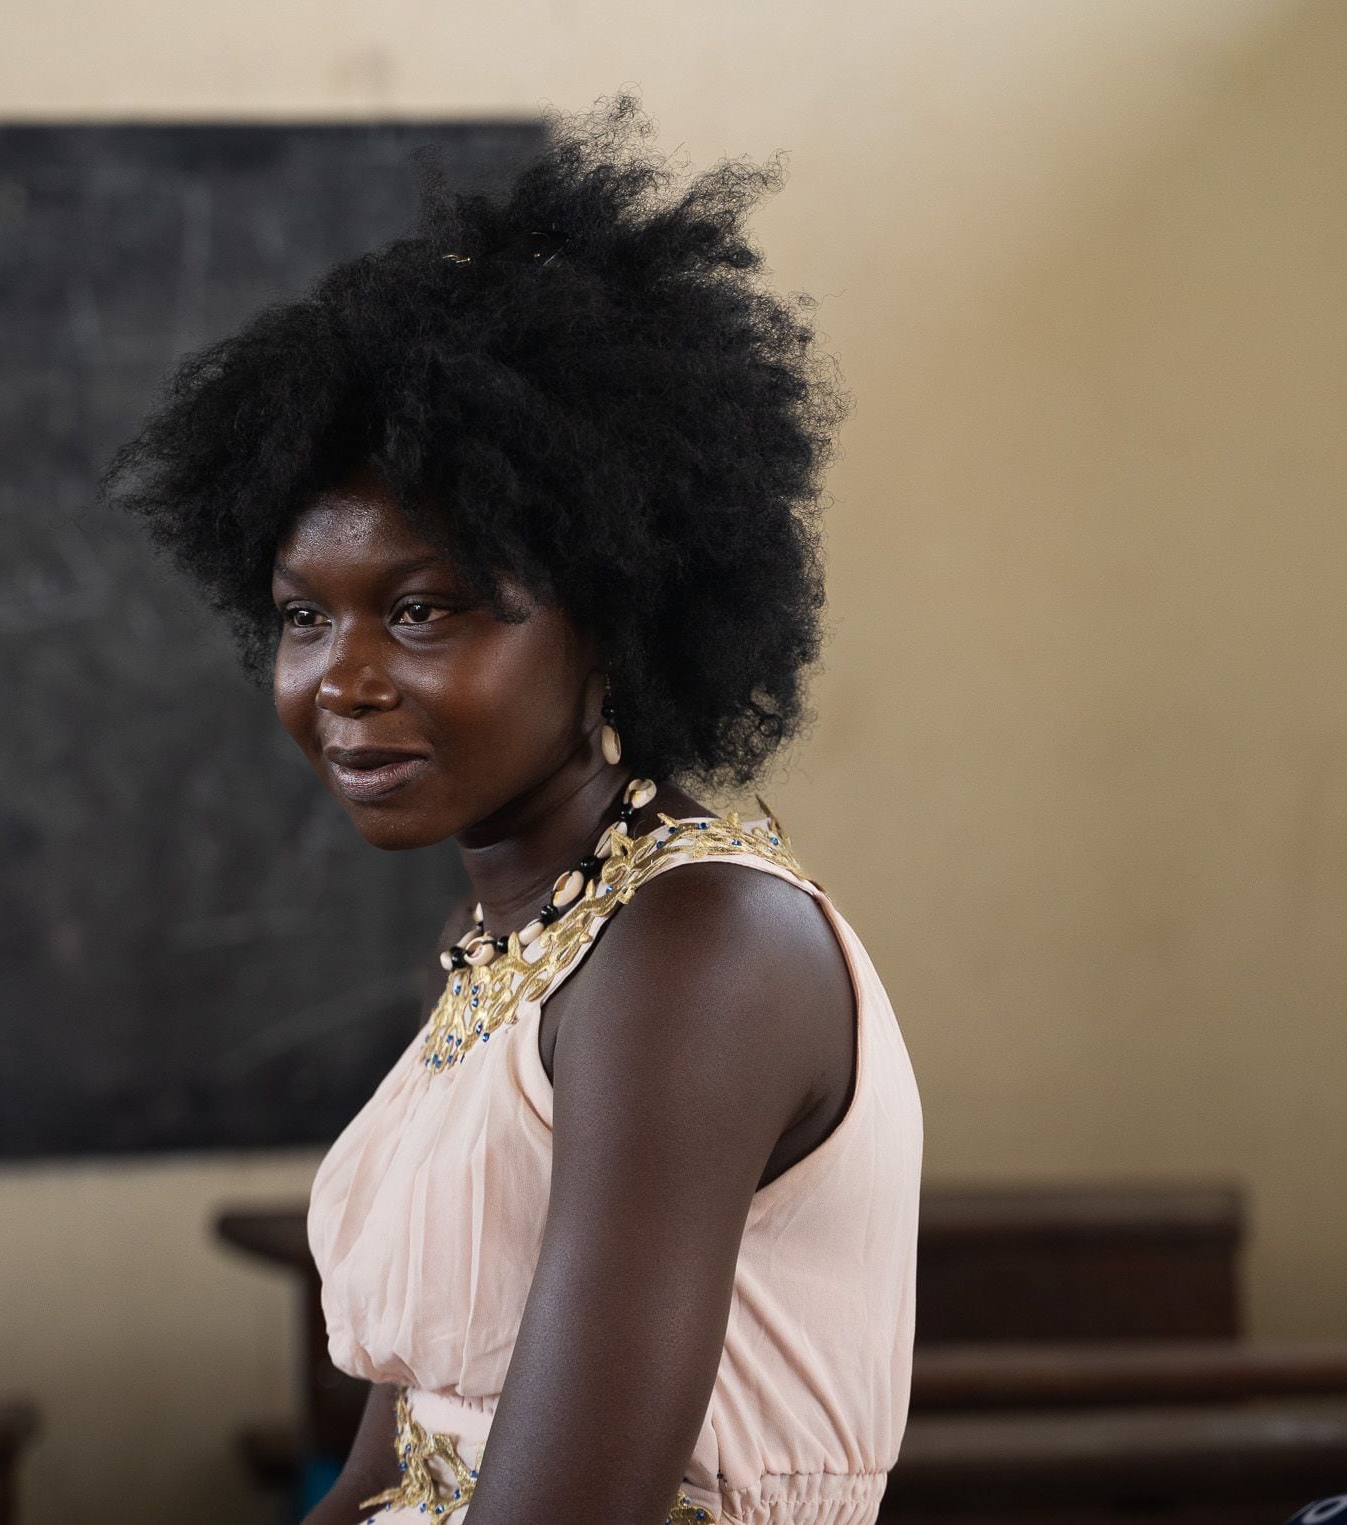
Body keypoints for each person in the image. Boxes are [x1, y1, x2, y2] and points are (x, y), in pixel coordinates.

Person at [105, 93, 922, 1525]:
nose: (342, 680)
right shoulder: (523, 947)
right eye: (304, 615)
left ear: (607, 619)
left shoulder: (698, 946)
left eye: (421, 610)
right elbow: (388, 1459)